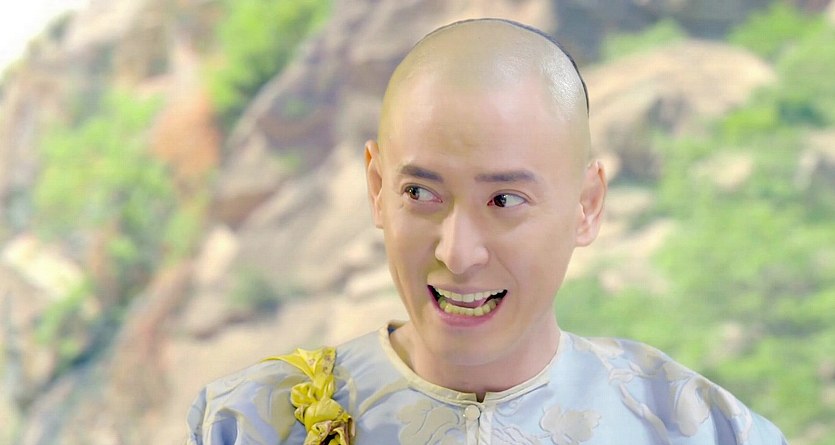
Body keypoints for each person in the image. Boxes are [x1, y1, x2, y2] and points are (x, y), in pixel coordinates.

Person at [186, 18, 787, 445]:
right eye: (420, 194)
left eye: (504, 200)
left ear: (586, 205)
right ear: (377, 189)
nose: (457, 253)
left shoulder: (698, 427)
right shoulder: (250, 422)